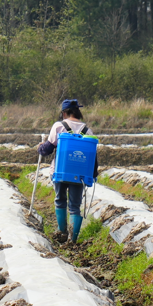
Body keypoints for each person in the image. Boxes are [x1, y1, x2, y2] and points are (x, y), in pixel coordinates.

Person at [37, 99, 92, 243]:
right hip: (79, 175)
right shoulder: (87, 130)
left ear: (64, 113)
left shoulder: (59, 126)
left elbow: (47, 149)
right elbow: (92, 156)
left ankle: (61, 231)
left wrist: (40, 147)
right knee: (75, 206)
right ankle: (72, 240)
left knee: (60, 200)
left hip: (60, 172)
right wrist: (92, 175)